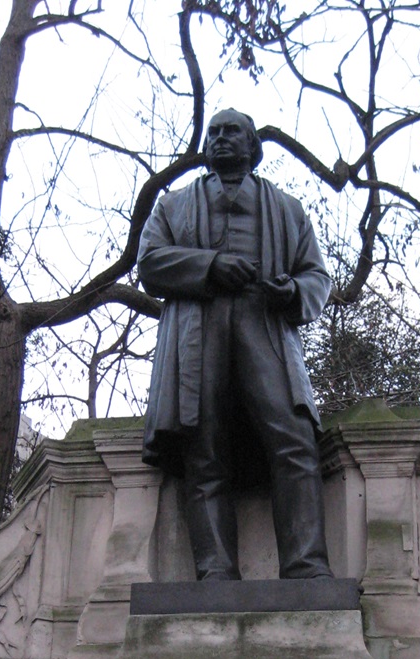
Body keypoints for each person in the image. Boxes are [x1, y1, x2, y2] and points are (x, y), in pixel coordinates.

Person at [137, 109, 333, 580]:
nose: (221, 139)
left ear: (252, 148)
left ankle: (307, 567)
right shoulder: (174, 205)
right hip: (196, 333)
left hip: (264, 326)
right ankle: (215, 572)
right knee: (203, 448)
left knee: (294, 439)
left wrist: (292, 293)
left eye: (233, 132)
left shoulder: (287, 208)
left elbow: (317, 277)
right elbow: (150, 264)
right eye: (214, 133)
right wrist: (209, 266)